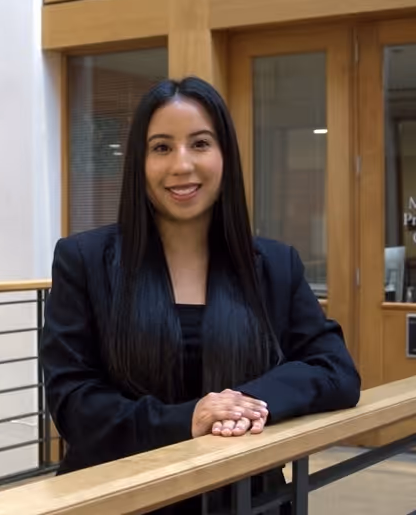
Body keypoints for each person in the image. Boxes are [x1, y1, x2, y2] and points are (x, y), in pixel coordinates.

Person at [39, 76, 361, 514]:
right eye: (161, 147)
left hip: (248, 500)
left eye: (200, 144)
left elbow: (335, 371)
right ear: (139, 161)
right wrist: (187, 418)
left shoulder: (273, 264)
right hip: (121, 497)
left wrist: (242, 405)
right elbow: (73, 403)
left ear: (225, 155)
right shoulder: (85, 260)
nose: (182, 165)